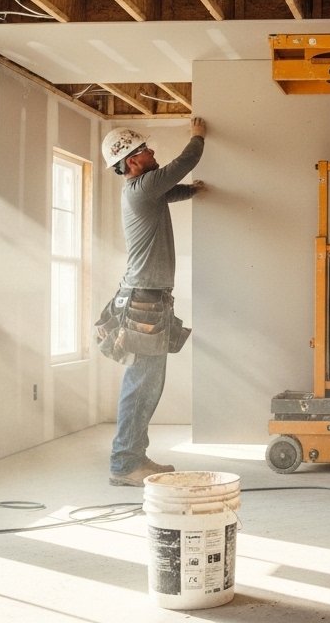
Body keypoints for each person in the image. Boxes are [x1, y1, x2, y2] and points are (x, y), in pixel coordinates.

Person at [100, 118, 207, 486]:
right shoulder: (142, 187)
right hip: (144, 300)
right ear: (131, 161)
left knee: (148, 381)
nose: (153, 153)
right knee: (142, 382)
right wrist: (198, 136)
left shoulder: (144, 190)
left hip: (149, 298)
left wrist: (192, 191)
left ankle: (133, 457)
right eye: (146, 150)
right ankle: (124, 463)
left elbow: (172, 190)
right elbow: (182, 164)